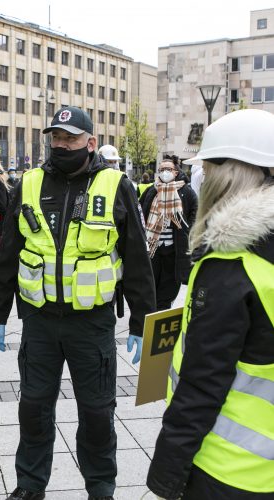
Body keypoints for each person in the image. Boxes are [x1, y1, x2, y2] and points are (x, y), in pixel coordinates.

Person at [0, 106, 156, 500]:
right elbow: (9, 250)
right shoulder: (28, 183)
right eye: (56, 138)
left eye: (71, 138)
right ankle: (30, 486)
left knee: (97, 413)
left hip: (92, 324)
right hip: (40, 323)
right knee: (33, 409)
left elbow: (136, 260)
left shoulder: (116, 185)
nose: (61, 145)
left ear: (90, 142)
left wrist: (140, 320)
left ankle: (100, 488)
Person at [147, 109, 274, 500]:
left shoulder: (231, 264)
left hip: (229, 469)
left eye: (208, 168)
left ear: (233, 173)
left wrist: (165, 475)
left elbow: (202, 384)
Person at [140, 159, 198, 310]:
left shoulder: (186, 191)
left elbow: (196, 213)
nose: (165, 172)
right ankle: (153, 318)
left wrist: (187, 231)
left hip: (174, 250)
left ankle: (161, 316)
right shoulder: (151, 190)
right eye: (162, 169)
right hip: (153, 249)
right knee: (151, 288)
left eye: (169, 169)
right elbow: (139, 213)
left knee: (168, 290)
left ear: (176, 172)